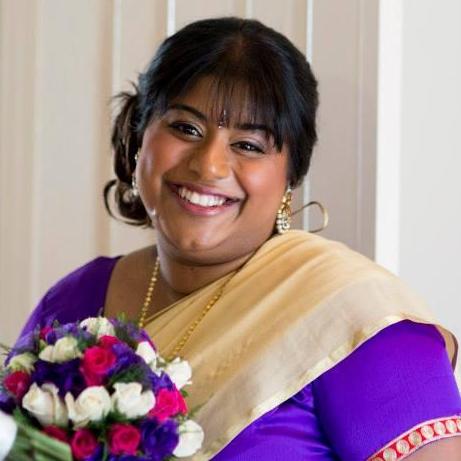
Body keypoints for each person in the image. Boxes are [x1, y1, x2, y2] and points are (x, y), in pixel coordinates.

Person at [15, 17, 461, 460]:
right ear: (138, 141)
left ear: (290, 178)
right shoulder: (72, 305)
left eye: (249, 145)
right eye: (186, 128)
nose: (208, 165)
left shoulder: (356, 323)